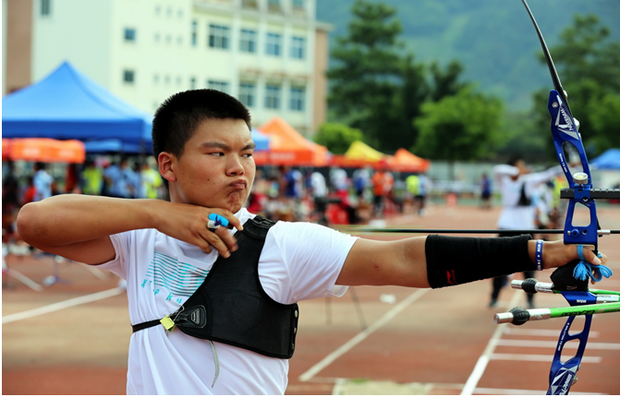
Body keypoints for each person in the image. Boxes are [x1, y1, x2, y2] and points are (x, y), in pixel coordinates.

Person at [16, 89, 604, 395]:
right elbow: (34, 222)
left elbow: (400, 257)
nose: (237, 169)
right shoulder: (140, 239)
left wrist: (542, 251)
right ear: (168, 164)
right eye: (216, 153)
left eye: (245, 153)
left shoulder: (280, 245)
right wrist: (160, 218)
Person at [490, 156, 565, 308]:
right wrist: (517, 170)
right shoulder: (504, 181)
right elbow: (497, 170)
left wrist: (567, 165)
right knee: (499, 264)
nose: (524, 168)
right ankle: (494, 297)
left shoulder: (528, 181)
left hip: (525, 227)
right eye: (520, 165)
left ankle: (530, 300)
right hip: (506, 226)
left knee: (529, 264)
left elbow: (548, 174)